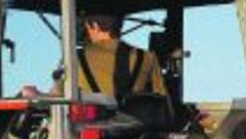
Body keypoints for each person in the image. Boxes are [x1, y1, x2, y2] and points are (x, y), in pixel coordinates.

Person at [20, 13, 166, 102]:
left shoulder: (76, 58)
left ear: (94, 26)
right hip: (136, 130)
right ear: (120, 25)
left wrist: (34, 94)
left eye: (87, 27)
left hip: (87, 135)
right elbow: (162, 99)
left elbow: (57, 98)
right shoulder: (148, 57)